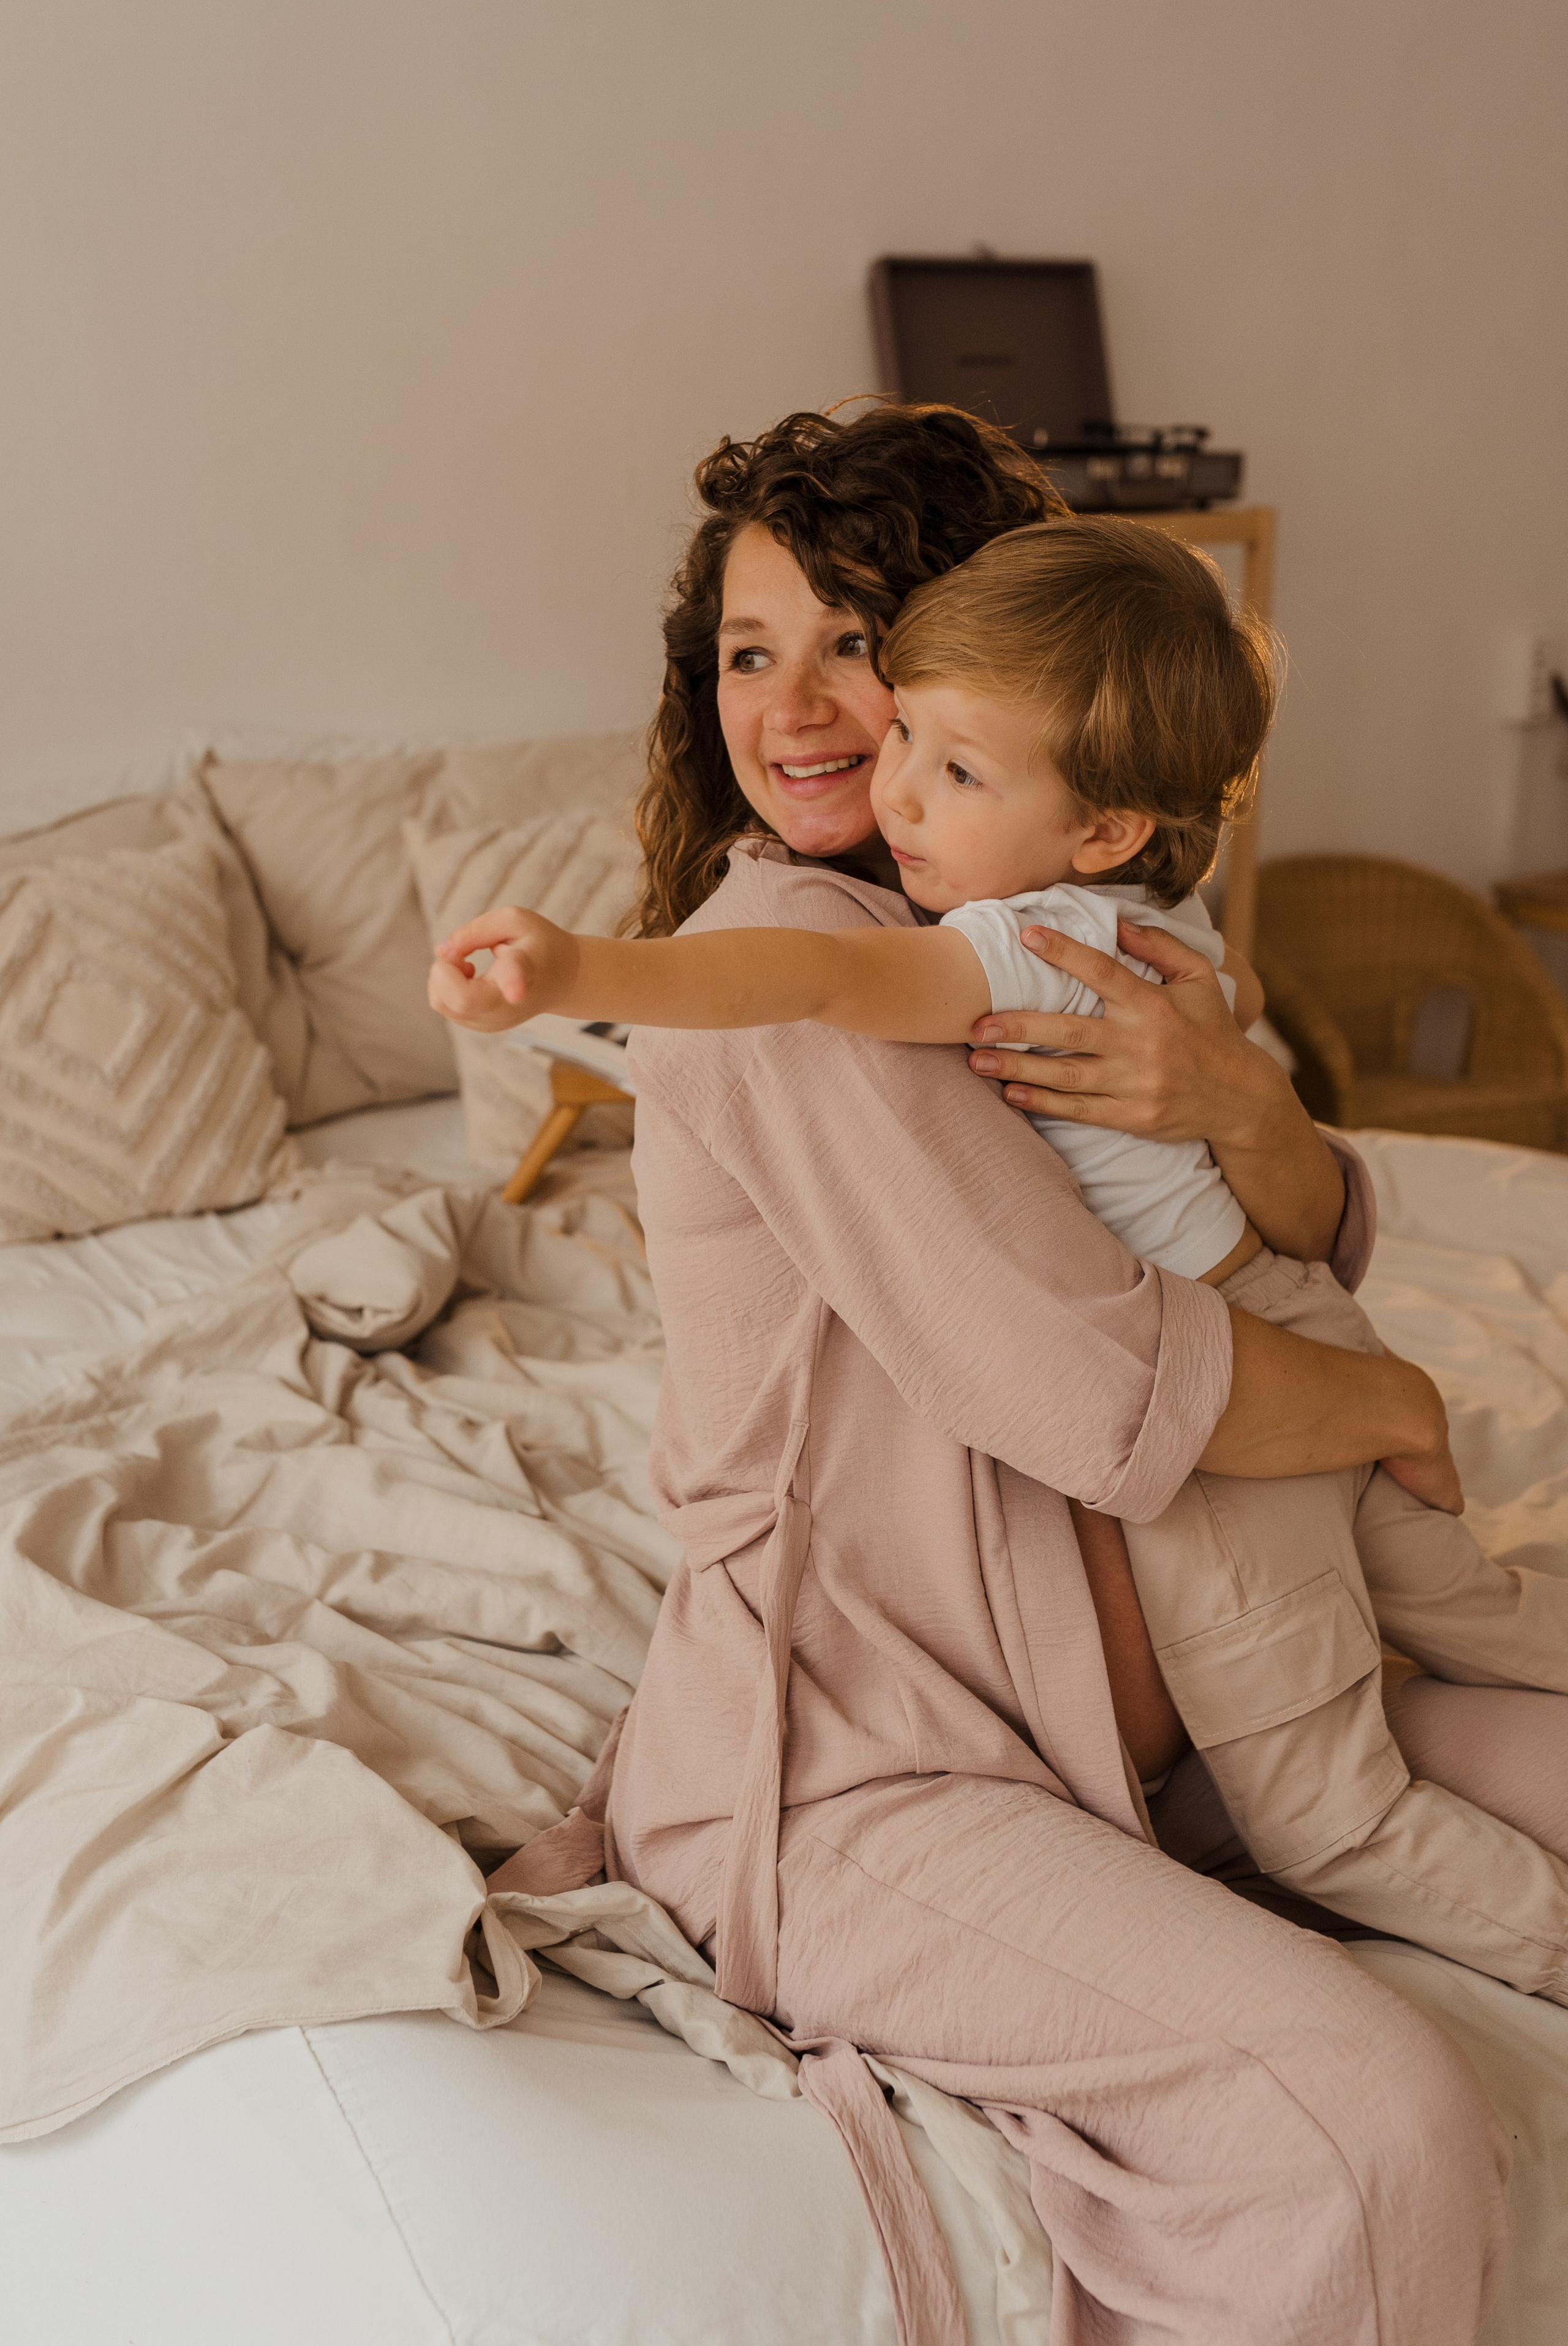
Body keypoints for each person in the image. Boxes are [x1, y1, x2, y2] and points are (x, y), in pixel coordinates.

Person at [461, 405, 1519, 2344]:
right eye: (745, 655)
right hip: (872, 1768)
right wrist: (1389, 1408)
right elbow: (1099, 1390)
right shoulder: (798, 955)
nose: (790, 710)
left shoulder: (1026, 919)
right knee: (1373, 2129)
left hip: (1182, 1708)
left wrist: (1243, 1101)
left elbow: (1311, 1229)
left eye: (853, 642)